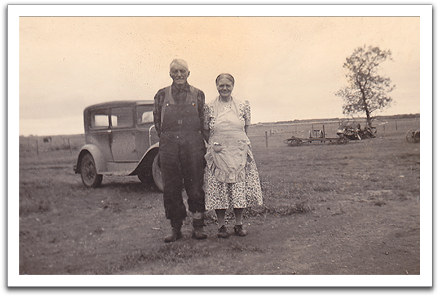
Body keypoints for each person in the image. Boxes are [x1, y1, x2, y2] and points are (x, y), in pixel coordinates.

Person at [153, 59, 209, 242]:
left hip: (193, 144)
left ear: (188, 73)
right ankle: (175, 228)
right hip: (169, 146)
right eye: (175, 71)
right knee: (171, 188)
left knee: (195, 187)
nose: (179, 75)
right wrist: (170, 140)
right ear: (170, 74)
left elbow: (203, 121)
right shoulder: (161, 95)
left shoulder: (198, 94)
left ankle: (198, 227)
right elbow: (158, 123)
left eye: (182, 71)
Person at [204, 73, 263, 238]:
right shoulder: (209, 107)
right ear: (216, 86)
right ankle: (221, 226)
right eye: (221, 85)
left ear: (233, 86)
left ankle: (238, 224)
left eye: (227, 85)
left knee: (238, 188)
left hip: (238, 153)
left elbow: (245, 129)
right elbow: (205, 129)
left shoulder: (243, 105)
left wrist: (240, 146)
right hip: (218, 153)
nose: (224, 88)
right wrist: (213, 145)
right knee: (219, 189)